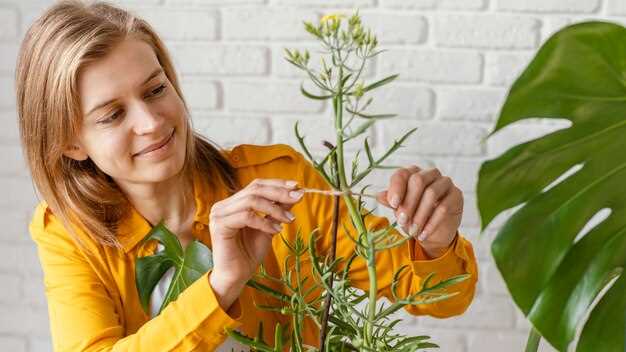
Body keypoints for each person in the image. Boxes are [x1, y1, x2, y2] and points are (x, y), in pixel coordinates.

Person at [16, 1, 478, 351]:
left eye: (156, 90)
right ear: (70, 143)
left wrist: (436, 240)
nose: (152, 122)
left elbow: (441, 300)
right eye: (112, 115)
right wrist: (222, 285)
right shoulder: (69, 233)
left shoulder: (278, 183)